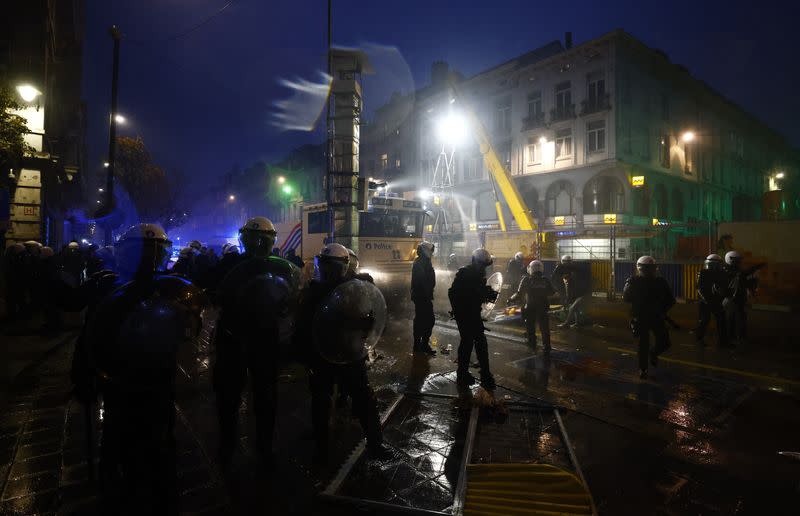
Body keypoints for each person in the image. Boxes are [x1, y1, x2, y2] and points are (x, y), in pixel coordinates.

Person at [79, 223, 206, 514]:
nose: (149, 260)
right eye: (144, 253)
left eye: (154, 253)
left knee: (133, 442)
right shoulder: (117, 286)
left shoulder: (167, 289)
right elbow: (93, 333)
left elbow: (189, 329)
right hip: (131, 378)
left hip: (141, 379)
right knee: (140, 443)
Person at [214, 217, 299, 467]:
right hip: (248, 337)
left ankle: (237, 446)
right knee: (255, 395)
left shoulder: (235, 264)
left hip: (245, 337)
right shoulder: (275, 267)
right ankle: (257, 446)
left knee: (242, 396)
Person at [295, 243, 390, 464]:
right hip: (323, 354)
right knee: (321, 403)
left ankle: (375, 445)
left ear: (344, 266)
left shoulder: (355, 289)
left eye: (333, 266)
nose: (328, 270)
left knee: (363, 401)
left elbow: (369, 317)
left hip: (349, 353)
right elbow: (303, 325)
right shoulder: (314, 290)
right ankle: (321, 449)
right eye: (325, 265)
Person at [448, 248, 498, 391]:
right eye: (482, 264)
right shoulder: (464, 273)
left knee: (480, 341)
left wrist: (486, 294)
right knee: (467, 342)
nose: (483, 268)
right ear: (475, 261)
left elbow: (477, 293)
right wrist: (459, 311)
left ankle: (484, 374)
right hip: (464, 314)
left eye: (485, 265)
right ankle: (462, 374)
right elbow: (453, 293)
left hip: (473, 313)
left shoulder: (479, 274)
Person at [623, 256, 675, 379]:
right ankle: (643, 369)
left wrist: (662, 310)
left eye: (650, 268)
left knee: (661, 342)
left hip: (653, 316)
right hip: (642, 317)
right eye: (648, 268)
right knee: (645, 344)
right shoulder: (635, 281)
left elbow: (670, 300)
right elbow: (626, 298)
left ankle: (652, 355)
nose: (649, 271)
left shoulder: (658, 281)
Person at [510, 260, 555, 352]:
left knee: (530, 325)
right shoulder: (545, 280)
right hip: (543, 306)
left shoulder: (526, 279)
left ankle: (532, 343)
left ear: (531, 269)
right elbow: (552, 292)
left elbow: (519, 293)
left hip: (530, 306)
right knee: (544, 327)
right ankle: (546, 345)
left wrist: (510, 299)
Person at [722, 250, 763, 348]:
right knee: (735, 319)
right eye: (736, 260)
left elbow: (744, 279)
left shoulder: (735, 270)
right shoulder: (727, 270)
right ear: (730, 260)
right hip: (731, 299)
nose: (738, 262)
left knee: (738, 318)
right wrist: (755, 268)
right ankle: (735, 338)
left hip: (738, 298)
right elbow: (742, 274)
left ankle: (736, 337)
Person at [694, 254, 728, 347]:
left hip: (717, 300)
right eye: (714, 264)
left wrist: (722, 295)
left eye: (717, 265)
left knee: (721, 320)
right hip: (706, 301)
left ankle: (723, 341)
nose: (716, 266)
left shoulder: (721, 273)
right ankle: (699, 339)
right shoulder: (703, 272)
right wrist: (706, 300)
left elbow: (723, 287)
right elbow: (699, 288)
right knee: (704, 321)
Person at [410, 241, 436, 355]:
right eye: (431, 250)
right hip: (421, 296)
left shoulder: (425, 262)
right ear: (425, 251)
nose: (432, 253)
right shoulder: (419, 263)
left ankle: (422, 344)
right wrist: (427, 294)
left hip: (424, 296)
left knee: (426, 320)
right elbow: (421, 281)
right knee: (424, 320)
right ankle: (419, 345)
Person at [552, 255, 589, 328]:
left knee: (572, 308)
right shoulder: (574, 271)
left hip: (583, 294)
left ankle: (566, 323)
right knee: (575, 309)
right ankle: (577, 323)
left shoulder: (574, 273)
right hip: (581, 293)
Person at [3, 243, 27, 321]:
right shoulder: (17, 259)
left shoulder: (9, 258)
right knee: (17, 300)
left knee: (13, 301)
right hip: (16, 283)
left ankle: (14, 316)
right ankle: (17, 317)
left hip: (13, 283)